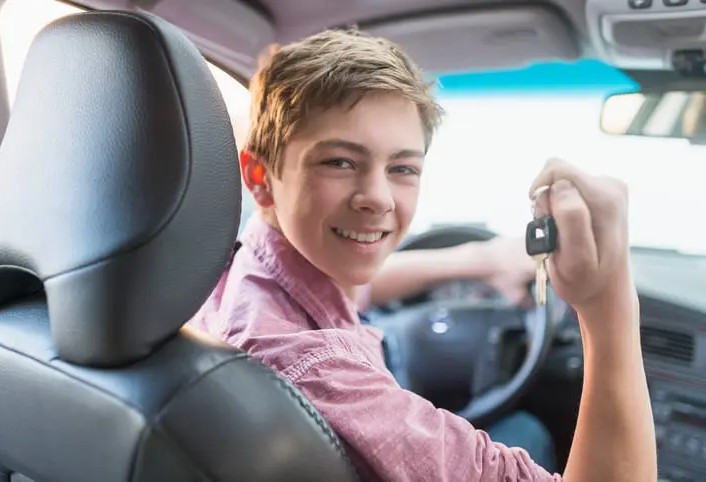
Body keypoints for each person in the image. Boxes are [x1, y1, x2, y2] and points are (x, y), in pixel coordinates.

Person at [188, 29, 656, 481]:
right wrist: (606, 303)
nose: (379, 198)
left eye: (402, 167)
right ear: (259, 176)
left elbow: (351, 283)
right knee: (528, 430)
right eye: (339, 162)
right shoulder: (322, 374)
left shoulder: (238, 268)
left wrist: (480, 260)